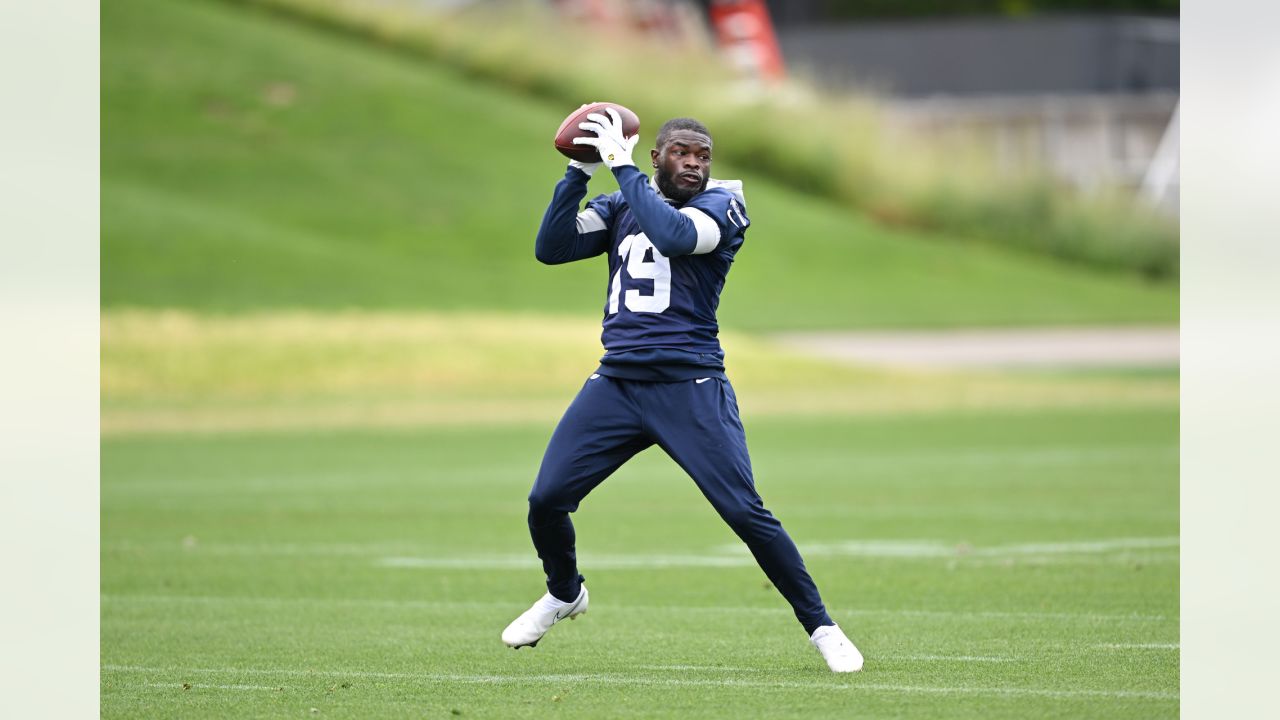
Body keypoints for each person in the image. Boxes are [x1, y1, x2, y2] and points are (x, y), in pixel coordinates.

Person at [500, 108, 863, 672]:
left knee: (744, 512)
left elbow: (672, 236)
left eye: (702, 155)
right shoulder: (623, 201)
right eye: (681, 153)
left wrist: (621, 168)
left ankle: (822, 627)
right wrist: (579, 170)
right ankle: (564, 592)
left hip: (689, 384)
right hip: (617, 383)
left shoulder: (724, 204)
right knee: (545, 500)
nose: (693, 163)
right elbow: (552, 247)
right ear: (657, 157)